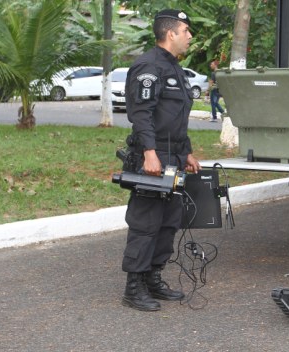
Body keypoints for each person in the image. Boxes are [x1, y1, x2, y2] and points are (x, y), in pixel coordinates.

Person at [121, 9, 201, 311]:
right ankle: (134, 286)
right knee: (146, 222)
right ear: (171, 34)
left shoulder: (175, 68)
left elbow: (176, 118)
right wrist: (149, 153)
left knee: (169, 221)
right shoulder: (149, 66)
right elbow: (141, 114)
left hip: (174, 156)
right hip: (155, 156)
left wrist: (188, 152)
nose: (190, 36)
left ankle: (153, 278)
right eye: (186, 31)